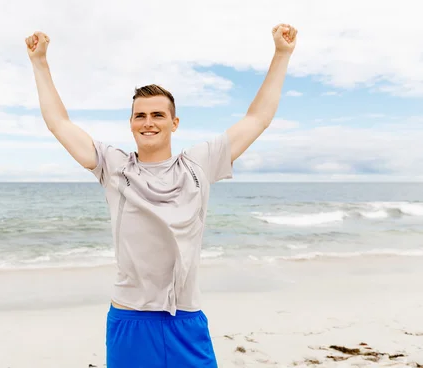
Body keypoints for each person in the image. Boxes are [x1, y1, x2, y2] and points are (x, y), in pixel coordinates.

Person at [25, 23, 297, 367]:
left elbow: (258, 117)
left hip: (185, 319)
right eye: (140, 115)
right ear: (131, 123)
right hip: (131, 320)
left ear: (174, 122)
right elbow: (59, 124)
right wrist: (40, 63)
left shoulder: (199, 164)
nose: (148, 122)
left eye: (157, 114)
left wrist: (282, 54)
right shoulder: (115, 167)